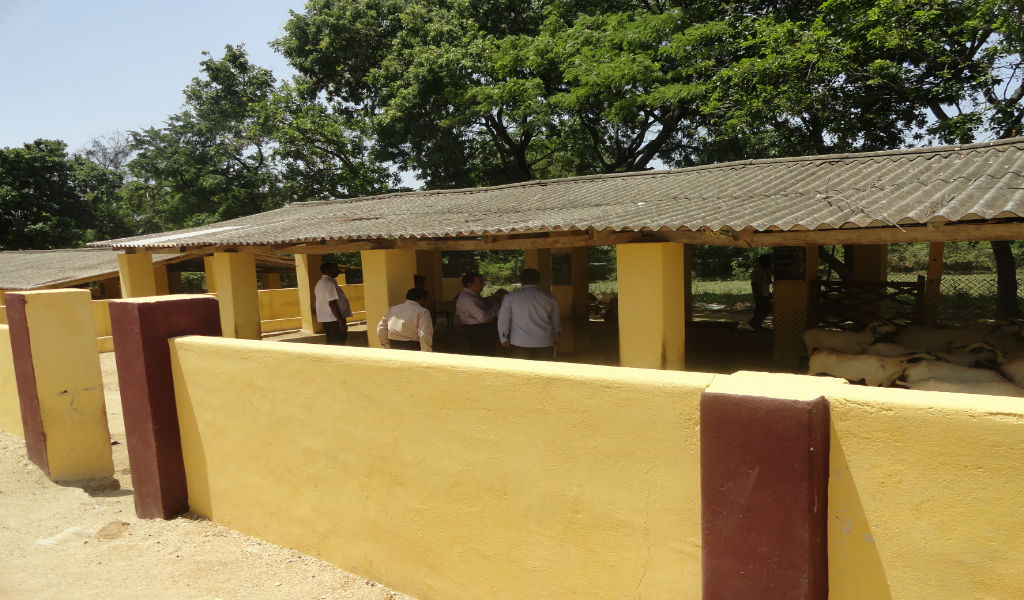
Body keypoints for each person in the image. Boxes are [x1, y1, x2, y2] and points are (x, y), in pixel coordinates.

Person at [497, 268, 561, 360]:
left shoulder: (511, 298)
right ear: (539, 280)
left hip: (520, 341)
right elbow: (556, 319)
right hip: (544, 341)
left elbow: (503, 319)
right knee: (543, 368)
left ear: (521, 281)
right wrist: (557, 336)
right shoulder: (550, 298)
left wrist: (503, 337)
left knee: (522, 368)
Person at [455, 272, 503, 355]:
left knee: (482, 353)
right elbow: (483, 318)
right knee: (484, 354)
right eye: (480, 282)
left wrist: (493, 299)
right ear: (469, 284)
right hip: (479, 331)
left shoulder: (470, 295)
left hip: (477, 330)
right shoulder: (469, 299)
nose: (483, 285)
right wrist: (494, 308)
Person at [315, 261, 352, 345]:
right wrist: (341, 321)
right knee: (338, 343)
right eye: (336, 268)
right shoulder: (329, 283)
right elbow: (332, 304)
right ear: (329, 270)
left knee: (331, 342)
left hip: (329, 319)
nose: (338, 270)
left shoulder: (321, 282)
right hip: (334, 320)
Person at [748, 254, 773, 331]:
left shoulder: (765, 271)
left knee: (762, 310)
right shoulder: (756, 271)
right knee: (765, 309)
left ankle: (755, 323)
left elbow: (769, 282)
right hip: (759, 294)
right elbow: (754, 284)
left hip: (765, 293)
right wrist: (758, 294)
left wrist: (768, 272)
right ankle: (755, 323)